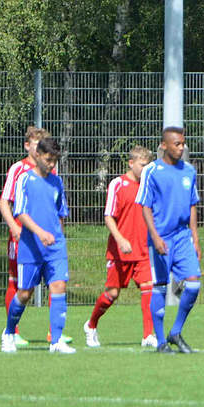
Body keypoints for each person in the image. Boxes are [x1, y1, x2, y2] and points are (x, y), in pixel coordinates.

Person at [2, 137, 73, 354]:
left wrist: (57, 235)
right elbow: (20, 213)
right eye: (48, 159)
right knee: (24, 293)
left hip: (55, 246)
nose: (52, 164)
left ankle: (57, 341)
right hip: (31, 246)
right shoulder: (24, 180)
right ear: (39, 155)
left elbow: (61, 212)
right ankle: (9, 332)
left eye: (55, 161)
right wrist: (41, 233)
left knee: (59, 286)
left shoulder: (57, 182)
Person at [137, 126, 202, 354]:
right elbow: (145, 205)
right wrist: (154, 236)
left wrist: (195, 236)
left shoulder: (189, 171)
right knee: (161, 288)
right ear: (164, 145)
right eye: (177, 144)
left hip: (183, 236)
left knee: (194, 284)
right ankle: (161, 340)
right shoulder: (152, 171)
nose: (181, 147)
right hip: (161, 237)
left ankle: (176, 331)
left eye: (183, 144)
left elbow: (193, 204)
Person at [85, 146, 157, 348]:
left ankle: (147, 335)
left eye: (148, 165)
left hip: (143, 250)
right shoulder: (118, 184)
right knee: (112, 294)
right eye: (143, 165)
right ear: (131, 163)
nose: (146, 169)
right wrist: (120, 239)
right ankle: (91, 325)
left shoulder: (149, 185)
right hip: (120, 251)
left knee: (147, 288)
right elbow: (108, 216)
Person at [0, 126, 54, 346]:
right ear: (27, 146)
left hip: (46, 237)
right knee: (19, 284)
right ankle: (13, 330)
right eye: (34, 144)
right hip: (22, 238)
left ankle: (53, 332)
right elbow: (4, 201)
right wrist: (13, 226)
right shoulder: (17, 169)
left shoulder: (50, 170)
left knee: (55, 281)